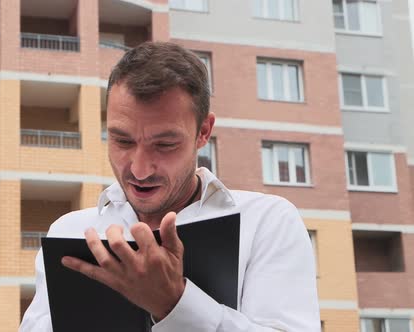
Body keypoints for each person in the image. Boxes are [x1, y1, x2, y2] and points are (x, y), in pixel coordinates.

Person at [19, 41, 320, 332]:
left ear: (203, 132)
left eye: (164, 145)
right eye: (122, 140)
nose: (139, 169)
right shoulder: (69, 231)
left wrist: (175, 303)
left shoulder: (267, 222)